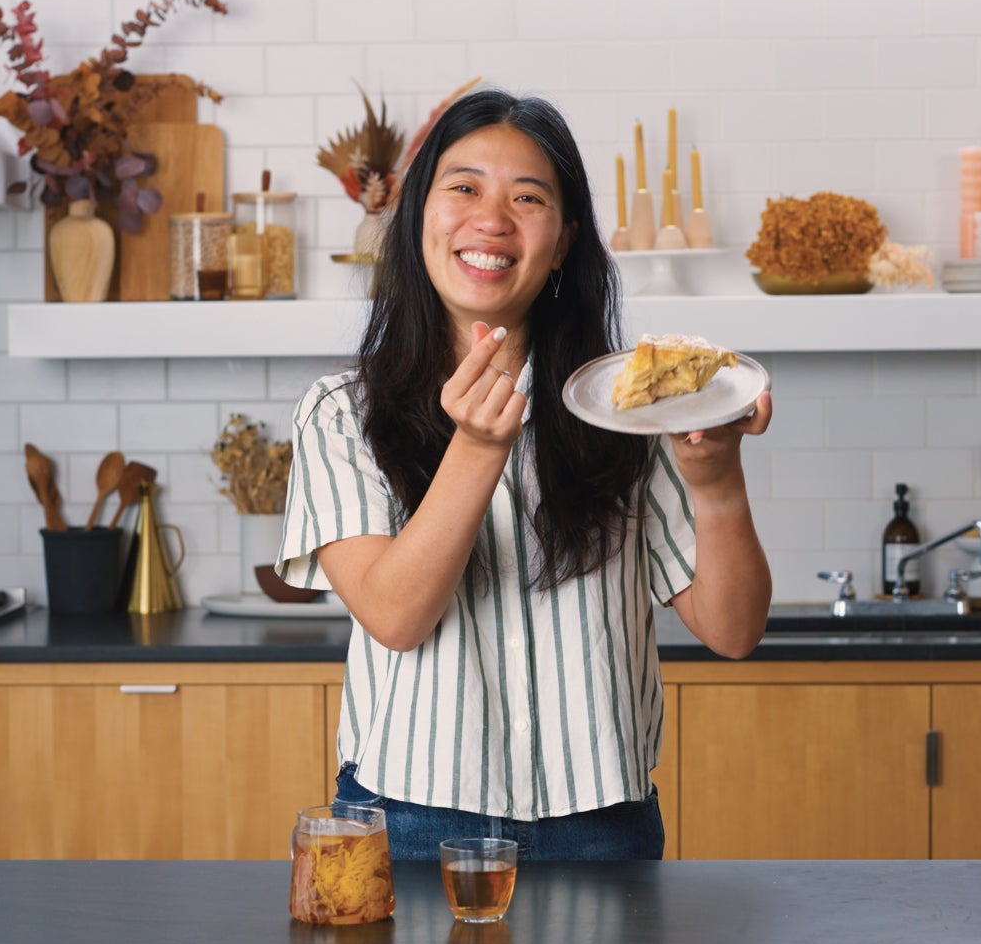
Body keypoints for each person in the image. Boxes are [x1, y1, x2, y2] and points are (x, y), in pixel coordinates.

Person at [277, 89, 771, 860]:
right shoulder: (341, 412)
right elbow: (396, 617)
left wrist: (717, 480)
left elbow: (734, 631)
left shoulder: (623, 404)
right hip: (409, 823)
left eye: (529, 198)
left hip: (602, 828)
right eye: (465, 187)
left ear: (565, 240)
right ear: (418, 218)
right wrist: (476, 448)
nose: (493, 220)